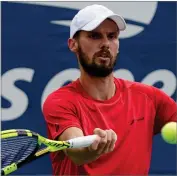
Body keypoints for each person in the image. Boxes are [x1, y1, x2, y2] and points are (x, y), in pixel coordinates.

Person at [43, 4, 177, 175]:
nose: (105, 44)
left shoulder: (149, 97)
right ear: (73, 45)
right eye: (94, 36)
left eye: (112, 36)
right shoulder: (60, 101)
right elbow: (75, 150)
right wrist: (93, 149)